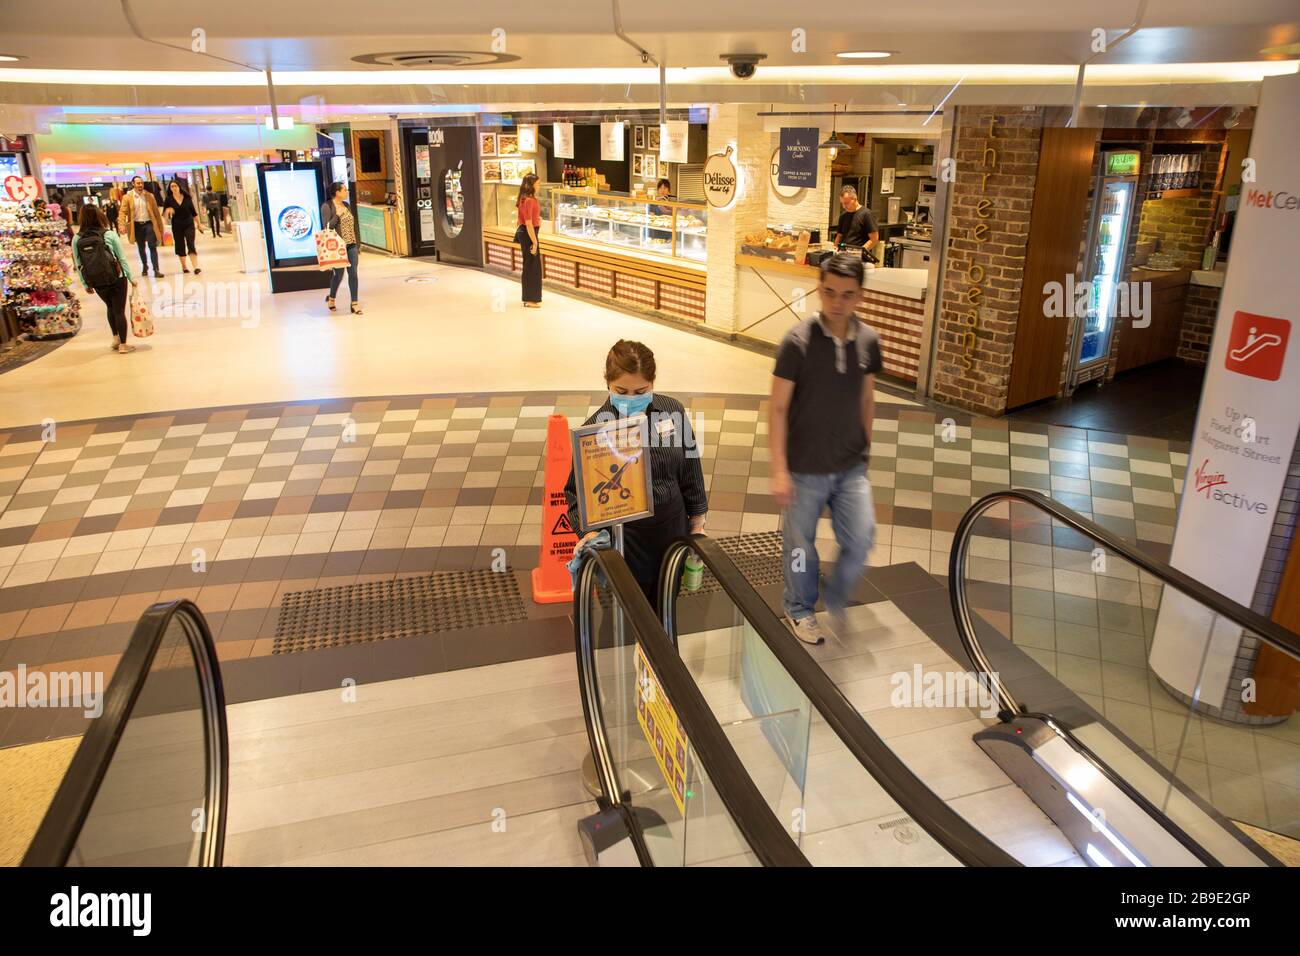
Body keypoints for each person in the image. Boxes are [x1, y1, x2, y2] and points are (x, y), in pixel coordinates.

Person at [768, 252, 883, 645]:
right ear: (819, 289)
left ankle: (834, 596)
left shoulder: (869, 341)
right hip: (804, 468)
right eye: (830, 292)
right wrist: (780, 469)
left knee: (862, 537)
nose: (837, 302)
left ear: (861, 296)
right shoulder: (797, 342)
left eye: (848, 295)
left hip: (850, 466)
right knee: (801, 546)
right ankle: (799, 610)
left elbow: (867, 399)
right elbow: (778, 407)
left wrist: (864, 451)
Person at [565, 340, 707, 604]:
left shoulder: (672, 411)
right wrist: (589, 534)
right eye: (622, 391)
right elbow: (575, 494)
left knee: (667, 599)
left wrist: (697, 522)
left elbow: (690, 467)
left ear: (653, 384)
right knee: (633, 608)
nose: (631, 399)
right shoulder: (595, 431)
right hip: (627, 538)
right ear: (607, 383)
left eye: (641, 391)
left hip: (671, 529)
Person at [72, 204, 138, 354]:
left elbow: (78, 263)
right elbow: (121, 258)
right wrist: (130, 277)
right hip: (116, 278)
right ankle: (123, 344)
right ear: (99, 215)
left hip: (96, 280)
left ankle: (115, 338)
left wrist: (85, 283)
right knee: (119, 311)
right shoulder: (109, 234)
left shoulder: (77, 238)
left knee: (110, 307)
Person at [320, 181, 362, 315]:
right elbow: (327, 227)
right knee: (338, 275)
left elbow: (353, 224)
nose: (347, 191)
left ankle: (354, 303)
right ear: (337, 192)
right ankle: (331, 298)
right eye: (344, 190)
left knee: (353, 273)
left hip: (351, 244)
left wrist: (358, 243)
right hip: (337, 247)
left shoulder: (347, 205)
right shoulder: (327, 206)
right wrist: (337, 215)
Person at [117, 175, 165, 278]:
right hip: (137, 226)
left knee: (152, 246)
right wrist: (121, 225)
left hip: (149, 224)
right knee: (141, 247)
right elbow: (122, 212)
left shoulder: (149, 196)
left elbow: (156, 212)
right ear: (133, 184)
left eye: (142, 183)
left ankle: (156, 269)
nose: (140, 185)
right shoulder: (127, 197)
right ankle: (144, 265)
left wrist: (161, 227)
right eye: (138, 183)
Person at [163, 180, 202, 275]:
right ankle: (184, 267)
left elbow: (194, 213)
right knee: (180, 246)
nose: (174, 188)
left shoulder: (187, 198)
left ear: (179, 186)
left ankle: (196, 267)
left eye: (175, 186)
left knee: (190, 243)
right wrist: (168, 210)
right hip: (177, 225)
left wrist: (199, 224)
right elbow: (164, 215)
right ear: (170, 189)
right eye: (172, 186)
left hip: (189, 223)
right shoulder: (168, 199)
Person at [516, 172, 542, 308]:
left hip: (526, 233)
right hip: (529, 234)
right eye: (537, 183)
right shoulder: (529, 200)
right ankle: (529, 299)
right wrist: (535, 242)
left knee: (531, 265)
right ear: (531, 185)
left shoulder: (524, 198)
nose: (539, 185)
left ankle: (530, 297)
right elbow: (528, 223)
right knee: (532, 266)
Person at [833, 185, 879, 253]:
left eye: (846, 203)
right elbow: (839, 236)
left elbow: (874, 239)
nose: (844, 206)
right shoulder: (843, 216)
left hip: (859, 258)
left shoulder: (866, 214)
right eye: (842, 203)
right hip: (843, 255)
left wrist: (859, 252)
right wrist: (835, 249)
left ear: (855, 199)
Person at [648, 177, 673, 242]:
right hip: (656, 233)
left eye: (665, 188)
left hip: (669, 233)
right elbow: (651, 218)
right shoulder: (653, 203)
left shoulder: (672, 203)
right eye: (660, 188)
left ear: (668, 190)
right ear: (658, 189)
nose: (662, 190)